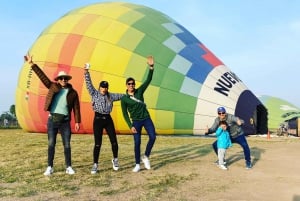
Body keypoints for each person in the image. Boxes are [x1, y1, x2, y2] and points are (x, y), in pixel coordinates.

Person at [24, 53, 81, 176]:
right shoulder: (53, 86)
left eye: (65, 78)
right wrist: (32, 64)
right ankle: (50, 166)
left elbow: (76, 108)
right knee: (51, 144)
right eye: (61, 78)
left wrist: (77, 121)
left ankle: (68, 167)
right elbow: (42, 77)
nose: (63, 80)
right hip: (53, 120)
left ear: (68, 79)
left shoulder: (73, 93)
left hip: (65, 121)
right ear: (58, 80)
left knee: (67, 145)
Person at [83, 63, 124, 174]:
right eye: (102, 87)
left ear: (107, 88)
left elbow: (122, 96)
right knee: (97, 143)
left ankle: (115, 160)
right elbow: (88, 84)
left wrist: (131, 94)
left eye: (106, 87)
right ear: (99, 87)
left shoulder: (111, 96)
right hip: (98, 119)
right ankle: (95, 164)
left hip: (108, 119)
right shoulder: (94, 93)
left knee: (114, 142)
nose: (104, 89)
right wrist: (86, 72)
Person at [121, 55, 156, 172]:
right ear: (126, 85)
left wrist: (151, 67)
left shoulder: (140, 91)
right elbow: (125, 114)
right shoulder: (124, 99)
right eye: (129, 84)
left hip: (146, 118)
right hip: (135, 122)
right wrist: (130, 126)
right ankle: (137, 164)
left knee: (153, 136)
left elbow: (148, 80)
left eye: (133, 84)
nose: (131, 85)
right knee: (137, 143)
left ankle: (145, 156)